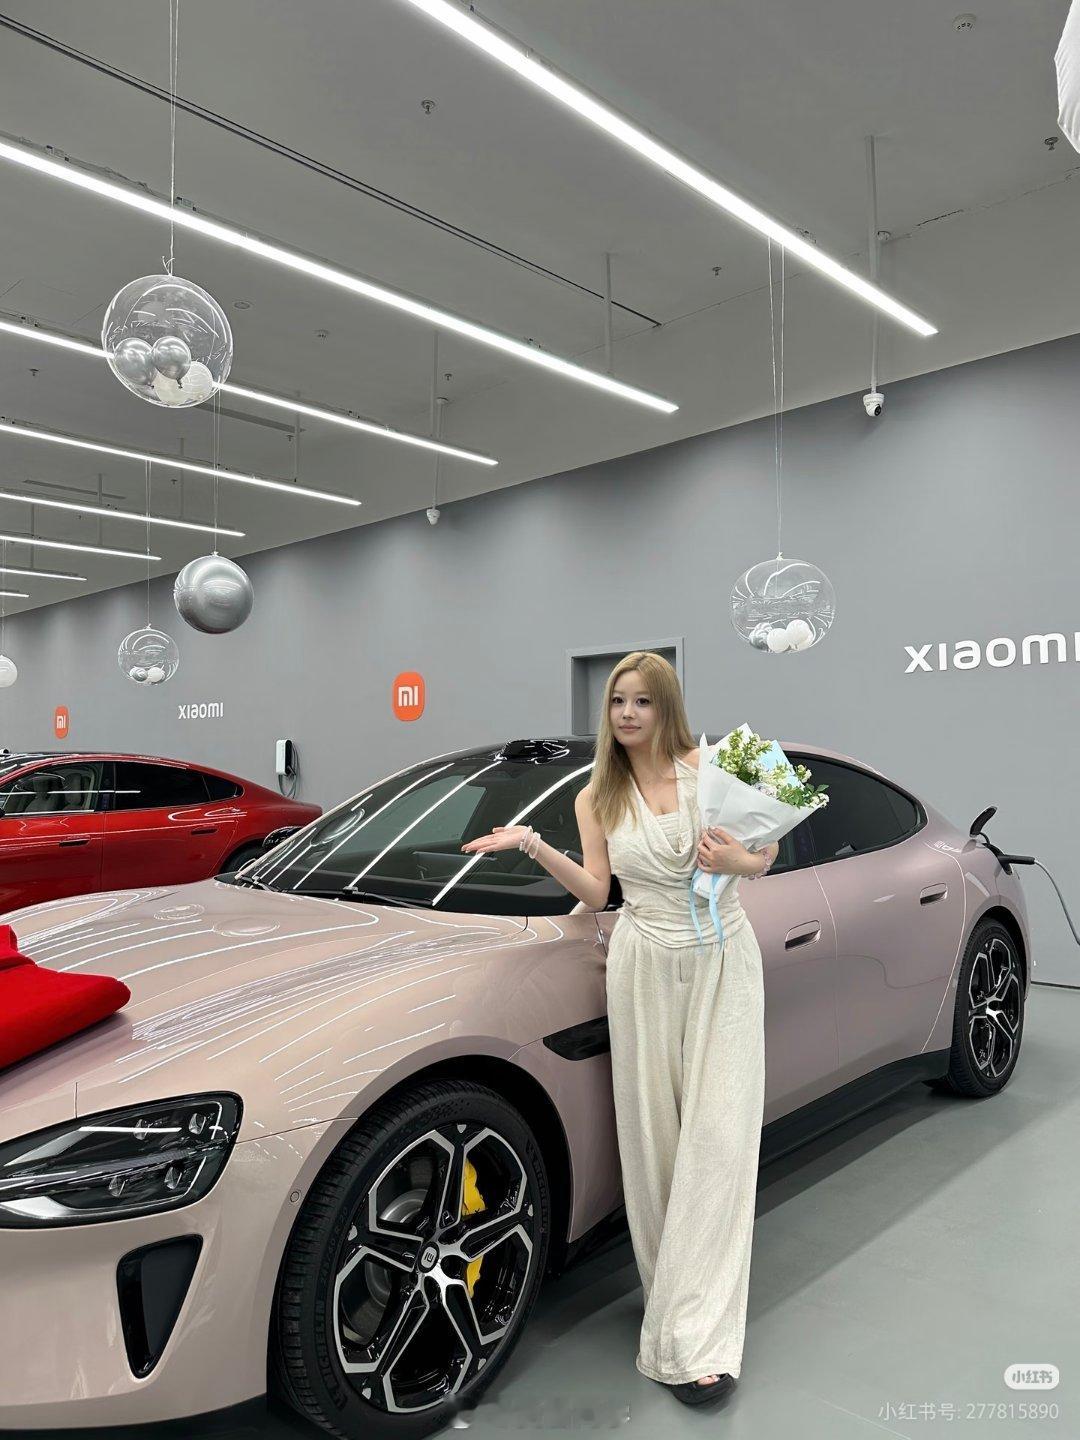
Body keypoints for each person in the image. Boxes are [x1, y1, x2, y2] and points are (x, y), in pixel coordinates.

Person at [461, 650, 778, 1409]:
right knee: (654, 1142)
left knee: (720, 1142)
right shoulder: (596, 795)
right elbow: (600, 890)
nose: (628, 714)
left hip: (722, 961)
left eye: (642, 701)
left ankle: (696, 1335)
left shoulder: (717, 771)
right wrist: (533, 844)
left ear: (666, 706)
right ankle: (675, 1304)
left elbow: (766, 852)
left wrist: (741, 860)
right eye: (616, 702)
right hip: (642, 965)